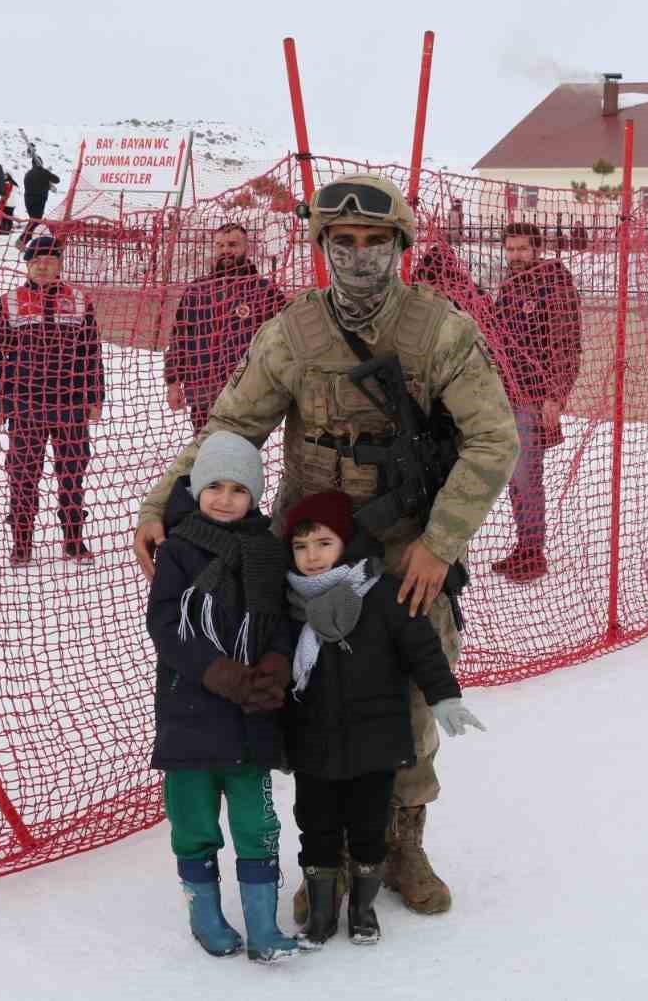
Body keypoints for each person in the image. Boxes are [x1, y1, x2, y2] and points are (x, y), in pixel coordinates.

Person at [132, 173, 518, 919]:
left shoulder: (439, 331)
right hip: (310, 553)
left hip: (405, 555)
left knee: (406, 700)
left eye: (376, 242)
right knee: (314, 703)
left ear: (400, 245)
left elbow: (493, 438)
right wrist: (162, 502)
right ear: (322, 247)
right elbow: (232, 428)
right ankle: (329, 849)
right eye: (344, 242)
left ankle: (400, 838)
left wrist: (440, 542)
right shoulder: (293, 333)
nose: (360, 256)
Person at [282, 490, 483, 949]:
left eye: (324, 543)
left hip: (375, 743)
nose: (312, 557)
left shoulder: (381, 595)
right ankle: (320, 912)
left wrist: (444, 698)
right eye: (302, 546)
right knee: (315, 827)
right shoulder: (290, 603)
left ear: (346, 544)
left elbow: (422, 649)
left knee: (369, 828)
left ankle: (363, 910)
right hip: (315, 747)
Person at [144, 431, 300, 964]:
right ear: (197, 487)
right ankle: (205, 914)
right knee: (194, 821)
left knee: (258, 822)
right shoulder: (180, 549)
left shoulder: (269, 550)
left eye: (238, 488)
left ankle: (263, 924)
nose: (225, 498)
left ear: (254, 494)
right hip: (191, 712)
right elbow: (165, 622)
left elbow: (283, 617)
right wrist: (217, 673)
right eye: (215, 486)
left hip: (252, 714)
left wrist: (276, 664)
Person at [0, 235, 104, 564]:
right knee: (23, 475)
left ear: (59, 264)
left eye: (49, 260)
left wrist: (95, 397)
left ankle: (73, 540)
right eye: (36, 261)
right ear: (27, 265)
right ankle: (22, 542)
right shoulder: (8, 302)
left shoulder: (79, 301)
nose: (43, 266)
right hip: (25, 406)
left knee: (72, 474)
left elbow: (91, 353)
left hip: (71, 405)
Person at [487, 222, 583, 583]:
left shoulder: (555, 286)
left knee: (528, 478)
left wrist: (555, 396)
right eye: (510, 250)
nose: (515, 256)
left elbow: (567, 344)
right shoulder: (509, 286)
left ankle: (532, 554)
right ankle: (523, 547)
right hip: (506, 395)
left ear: (537, 249)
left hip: (535, 397)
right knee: (515, 478)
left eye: (522, 249)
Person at [163, 223, 288, 433]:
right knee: (205, 451)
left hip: (247, 394)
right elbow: (179, 339)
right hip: (203, 393)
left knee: (239, 452)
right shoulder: (196, 290)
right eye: (220, 245)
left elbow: (282, 342)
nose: (226, 250)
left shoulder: (265, 292)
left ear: (247, 248)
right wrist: (173, 383)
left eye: (232, 244)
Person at [19, 155, 60, 246]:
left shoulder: (28, 173)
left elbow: (37, 184)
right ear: (40, 163)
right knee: (35, 223)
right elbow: (57, 180)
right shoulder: (43, 172)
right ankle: (22, 241)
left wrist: (47, 185)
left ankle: (23, 241)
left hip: (28, 200)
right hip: (39, 201)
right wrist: (47, 172)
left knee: (33, 222)